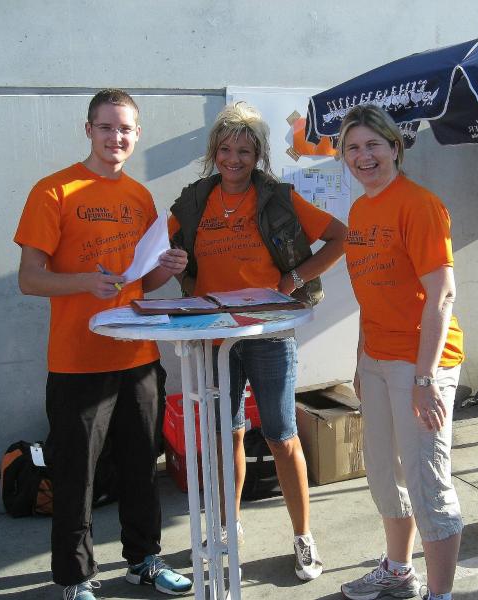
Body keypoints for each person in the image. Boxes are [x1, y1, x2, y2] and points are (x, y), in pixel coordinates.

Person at [14, 89, 193, 600]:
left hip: (138, 356)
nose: (116, 137)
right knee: (76, 475)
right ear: (88, 129)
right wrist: (84, 283)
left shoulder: (139, 197)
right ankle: (76, 578)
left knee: (142, 467)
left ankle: (144, 560)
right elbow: (29, 278)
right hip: (77, 361)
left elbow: (139, 283)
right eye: (106, 127)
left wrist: (167, 268)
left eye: (125, 129)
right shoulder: (54, 190)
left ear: (138, 135)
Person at [169, 101, 347, 581]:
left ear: (258, 155)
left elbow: (340, 237)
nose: (234, 159)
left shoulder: (278, 198)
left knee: (281, 435)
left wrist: (293, 278)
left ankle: (303, 536)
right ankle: (227, 526)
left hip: (268, 332)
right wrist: (177, 273)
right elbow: (162, 250)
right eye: (226, 149)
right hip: (214, 335)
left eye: (244, 151)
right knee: (226, 435)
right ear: (214, 152)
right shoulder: (193, 202)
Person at [337, 104, 465, 600]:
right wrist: (360, 358)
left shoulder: (420, 205)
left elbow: (442, 294)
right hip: (376, 359)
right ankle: (398, 570)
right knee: (385, 475)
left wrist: (425, 378)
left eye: (373, 144)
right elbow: (371, 294)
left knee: (427, 481)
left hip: (420, 363)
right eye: (353, 148)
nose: (363, 156)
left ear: (395, 147)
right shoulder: (360, 211)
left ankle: (440, 594)